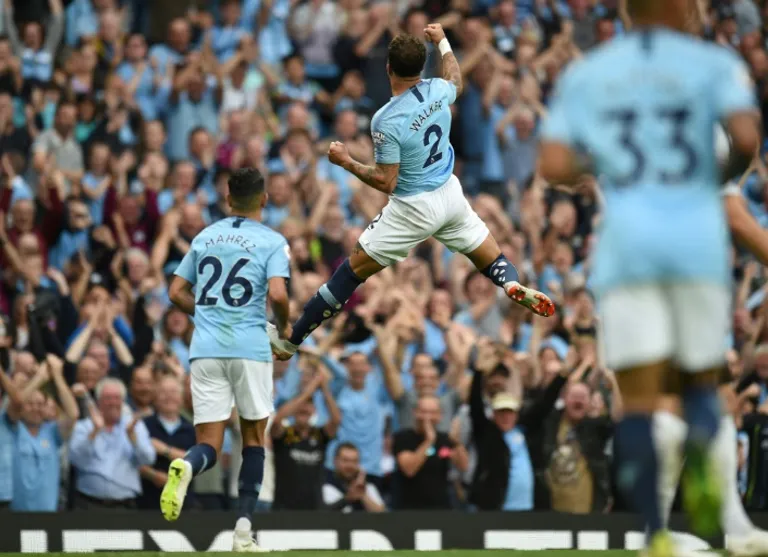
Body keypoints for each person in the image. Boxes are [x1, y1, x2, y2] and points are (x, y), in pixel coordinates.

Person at [538, 0, 761, 554]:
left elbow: (554, 165)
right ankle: (725, 520)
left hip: (628, 254)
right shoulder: (711, 71)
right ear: (682, 12)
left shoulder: (591, 72)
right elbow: (746, 144)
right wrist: (719, 174)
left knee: (644, 401)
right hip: (694, 252)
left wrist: (604, 166)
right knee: (704, 390)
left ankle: (655, 531)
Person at [269, 23, 555, 361]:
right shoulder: (438, 89)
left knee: (350, 273)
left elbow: (385, 181)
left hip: (412, 207)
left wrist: (346, 162)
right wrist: (443, 41)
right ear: (421, 68)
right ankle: (509, 283)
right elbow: (456, 79)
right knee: (491, 258)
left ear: (388, 67)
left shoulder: (386, 120)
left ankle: (291, 340)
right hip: (450, 195)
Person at [161, 167, 291, 553]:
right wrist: (283, 329)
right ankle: (243, 532)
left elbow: (175, 291)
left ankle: (187, 465)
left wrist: (205, 314)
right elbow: (278, 295)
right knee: (253, 439)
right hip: (249, 347)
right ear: (263, 199)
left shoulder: (205, 237)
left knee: (210, 445)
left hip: (205, 348)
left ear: (228, 199)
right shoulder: (272, 241)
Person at [270, 368, 341, 510]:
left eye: (309, 405)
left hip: (314, 508)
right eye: (301, 405)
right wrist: (308, 391)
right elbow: (277, 420)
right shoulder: (284, 435)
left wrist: (324, 388)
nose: (304, 409)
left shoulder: (319, 435)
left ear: (314, 410)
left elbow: (336, 420)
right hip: (284, 509)